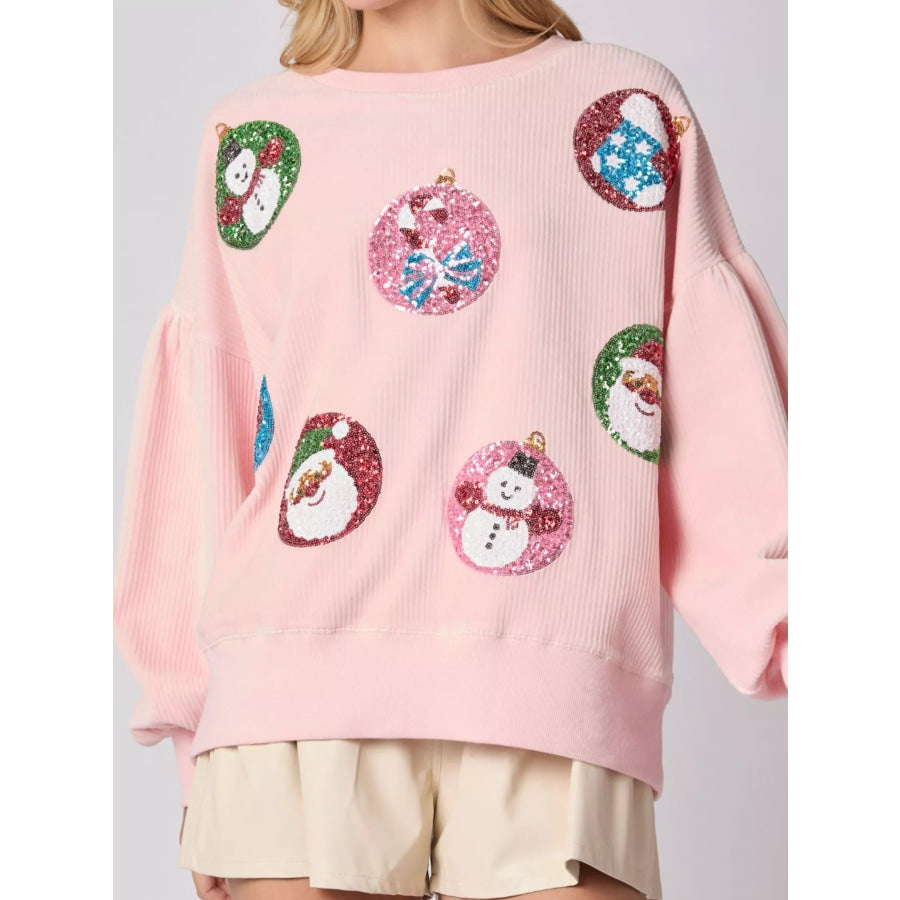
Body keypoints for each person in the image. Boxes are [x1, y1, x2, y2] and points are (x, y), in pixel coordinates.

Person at [113, 2, 788, 899]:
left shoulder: (626, 105)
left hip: (554, 681)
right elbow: (210, 419)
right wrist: (193, 720)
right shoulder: (257, 136)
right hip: (287, 685)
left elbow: (708, 392)